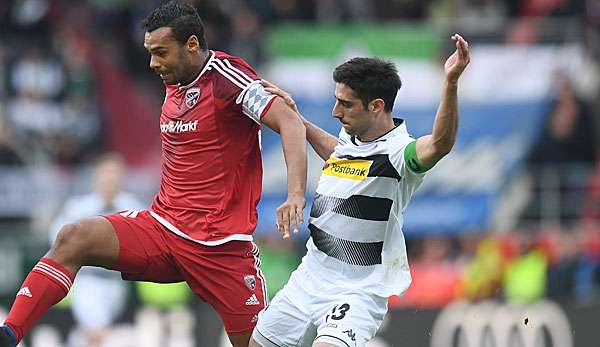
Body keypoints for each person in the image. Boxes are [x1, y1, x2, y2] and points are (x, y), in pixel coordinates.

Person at [0, 2, 307, 347]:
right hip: (164, 229)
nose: (153, 63)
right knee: (74, 236)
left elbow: (289, 120)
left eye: (160, 52)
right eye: (149, 53)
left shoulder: (226, 78)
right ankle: (9, 335)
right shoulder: (175, 77)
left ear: (192, 44)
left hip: (221, 247)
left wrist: (295, 194)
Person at [250, 34, 470, 347]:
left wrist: (450, 83)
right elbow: (338, 154)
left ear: (376, 106)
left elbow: (439, 144)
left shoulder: (398, 154)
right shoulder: (351, 142)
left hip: (357, 291)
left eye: (346, 104)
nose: (335, 112)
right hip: (310, 276)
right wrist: (293, 116)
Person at [48, 153, 143, 347]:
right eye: (106, 173)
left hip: (117, 283)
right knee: (96, 333)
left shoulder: (132, 207)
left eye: (115, 173)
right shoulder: (80, 208)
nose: (111, 178)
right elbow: (56, 238)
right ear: (96, 176)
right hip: (88, 281)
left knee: (97, 337)